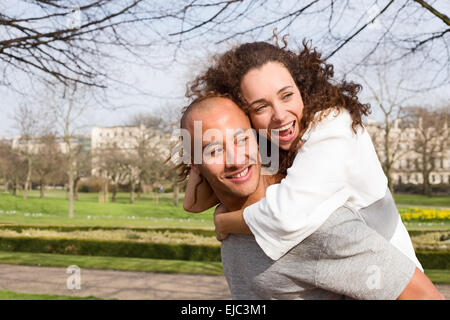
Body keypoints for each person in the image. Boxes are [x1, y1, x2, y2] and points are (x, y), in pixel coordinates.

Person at [178, 94, 443, 300]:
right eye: (214, 150)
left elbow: (425, 295)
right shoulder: (228, 214)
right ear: (195, 164)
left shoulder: (319, 228)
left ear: (259, 140)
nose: (235, 160)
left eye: (242, 140)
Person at [184, 40, 421, 265]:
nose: (279, 115)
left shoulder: (333, 128)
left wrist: (224, 222)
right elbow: (194, 204)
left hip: (389, 278)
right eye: (261, 106)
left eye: (286, 95)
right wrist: (201, 153)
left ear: (302, 88)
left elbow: (285, 216)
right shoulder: (270, 139)